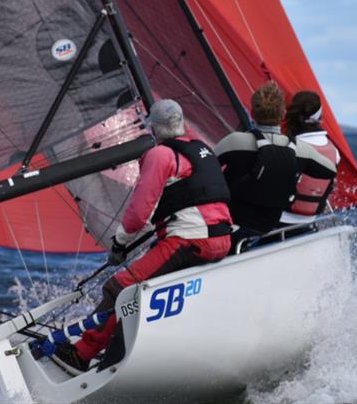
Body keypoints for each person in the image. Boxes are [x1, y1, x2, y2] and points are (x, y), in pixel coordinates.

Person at [54, 99, 232, 373]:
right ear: (181, 123)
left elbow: (139, 214)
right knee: (144, 287)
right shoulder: (202, 149)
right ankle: (121, 345)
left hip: (191, 240)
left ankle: (80, 354)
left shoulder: (161, 155)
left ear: (155, 129)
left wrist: (119, 244)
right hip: (222, 239)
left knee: (119, 288)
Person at [213, 81, 336, 246]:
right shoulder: (298, 149)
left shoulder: (234, 141)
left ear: (252, 112)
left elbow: (205, 166)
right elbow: (329, 170)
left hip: (234, 230)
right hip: (270, 227)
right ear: (283, 113)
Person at [280, 90, 340, 225]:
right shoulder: (334, 152)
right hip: (310, 220)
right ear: (320, 116)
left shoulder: (288, 146)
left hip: (280, 219)